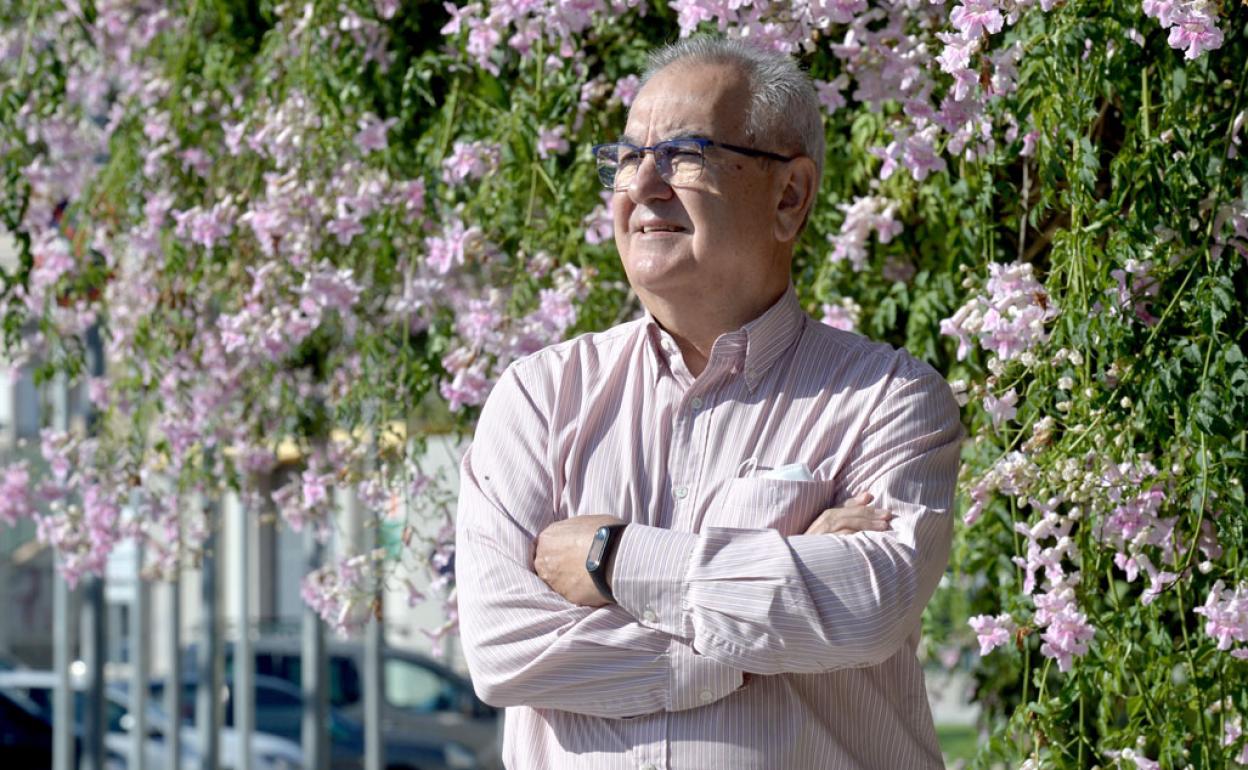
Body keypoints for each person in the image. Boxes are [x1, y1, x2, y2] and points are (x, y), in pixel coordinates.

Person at [455, 35, 963, 770]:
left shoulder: (889, 399)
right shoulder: (539, 400)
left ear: (789, 196)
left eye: (685, 154)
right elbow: (505, 650)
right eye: (628, 158)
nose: (642, 185)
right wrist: (753, 639)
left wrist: (614, 560)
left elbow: (869, 604)